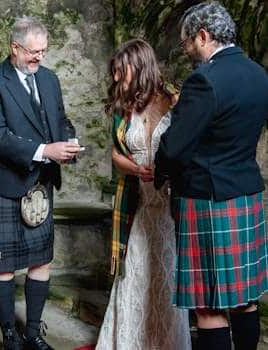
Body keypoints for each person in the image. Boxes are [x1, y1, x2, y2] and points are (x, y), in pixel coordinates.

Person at [154, 2, 268, 350]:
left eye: (188, 42)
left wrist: (159, 170)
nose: (187, 51)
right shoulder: (258, 74)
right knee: (245, 298)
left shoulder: (204, 79)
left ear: (203, 36)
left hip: (207, 199)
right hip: (245, 193)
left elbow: (174, 148)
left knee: (208, 307)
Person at [0, 16, 80, 350]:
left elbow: (60, 120)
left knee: (40, 262)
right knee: (4, 267)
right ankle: (10, 337)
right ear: (14, 48)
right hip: (3, 184)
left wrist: (70, 142)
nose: (39, 58)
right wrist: (46, 150)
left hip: (39, 185)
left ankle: (33, 333)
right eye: (33, 52)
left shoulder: (49, 78)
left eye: (43, 51)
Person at [94, 39, 191, 350]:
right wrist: (136, 170)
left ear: (140, 67)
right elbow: (115, 155)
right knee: (133, 277)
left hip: (173, 210)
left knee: (168, 280)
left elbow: (192, 147)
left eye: (122, 72)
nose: (117, 79)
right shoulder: (123, 109)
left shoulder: (176, 100)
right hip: (140, 206)